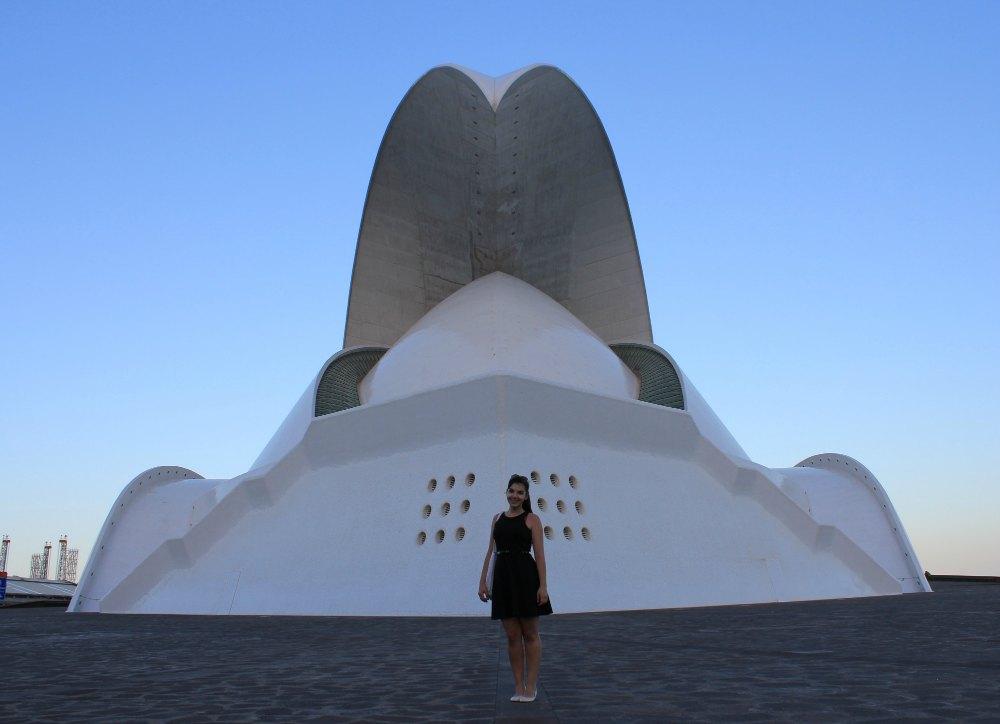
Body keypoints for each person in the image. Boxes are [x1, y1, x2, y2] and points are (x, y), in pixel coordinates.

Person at [478, 473, 552, 703]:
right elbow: (491, 551)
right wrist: (482, 581)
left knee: (530, 634)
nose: (515, 495)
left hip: (526, 577)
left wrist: (543, 586)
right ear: (506, 492)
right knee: (511, 636)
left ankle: (531, 686)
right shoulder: (497, 518)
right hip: (503, 579)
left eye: (520, 492)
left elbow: (539, 555)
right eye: (512, 491)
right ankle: (518, 685)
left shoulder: (532, 519)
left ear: (526, 495)